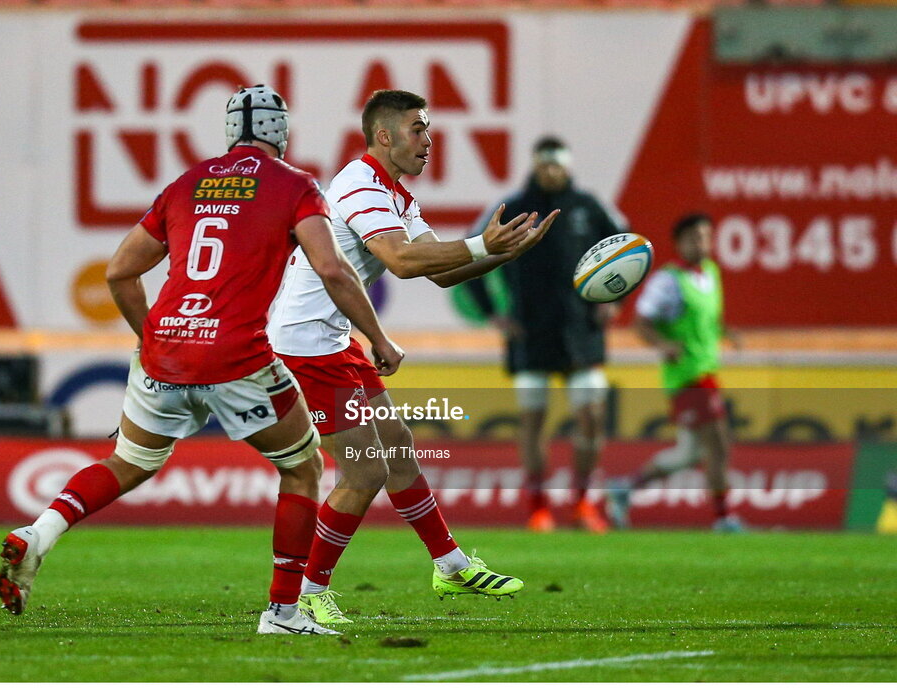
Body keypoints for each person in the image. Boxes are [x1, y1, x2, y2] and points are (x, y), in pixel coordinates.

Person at [0, 85, 403, 636]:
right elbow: (331, 270)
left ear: (230, 132)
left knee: (128, 462)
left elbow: (119, 272)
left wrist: (154, 339)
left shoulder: (186, 184)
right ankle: (282, 614)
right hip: (238, 357)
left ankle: (38, 535)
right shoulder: (295, 186)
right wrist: (378, 338)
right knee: (302, 468)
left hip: (164, 350)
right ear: (282, 133)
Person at [267, 90, 557, 625]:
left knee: (398, 450)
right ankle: (307, 594)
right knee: (364, 470)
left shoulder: (396, 194)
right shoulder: (358, 183)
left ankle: (449, 565)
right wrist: (481, 245)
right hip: (304, 343)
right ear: (384, 135)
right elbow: (401, 260)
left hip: (333, 340)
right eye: (418, 129)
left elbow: (441, 270)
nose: (429, 140)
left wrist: (500, 253)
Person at [464, 136, 628, 533]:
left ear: (567, 166)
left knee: (590, 418)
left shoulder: (590, 207)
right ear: (535, 165)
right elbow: (472, 252)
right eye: (545, 165)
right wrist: (493, 314)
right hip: (529, 332)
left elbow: (628, 247)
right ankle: (538, 507)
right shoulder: (513, 207)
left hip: (581, 330)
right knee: (533, 422)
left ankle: (583, 503)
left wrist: (615, 298)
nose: (551, 171)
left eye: (557, 165)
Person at [606, 212, 743, 533]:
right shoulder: (668, 281)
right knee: (719, 445)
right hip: (687, 376)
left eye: (707, 237)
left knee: (688, 452)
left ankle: (625, 488)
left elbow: (705, 321)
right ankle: (724, 518)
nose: (703, 243)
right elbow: (640, 323)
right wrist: (663, 345)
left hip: (707, 370)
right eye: (695, 237)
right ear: (679, 243)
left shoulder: (710, 273)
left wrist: (725, 332)